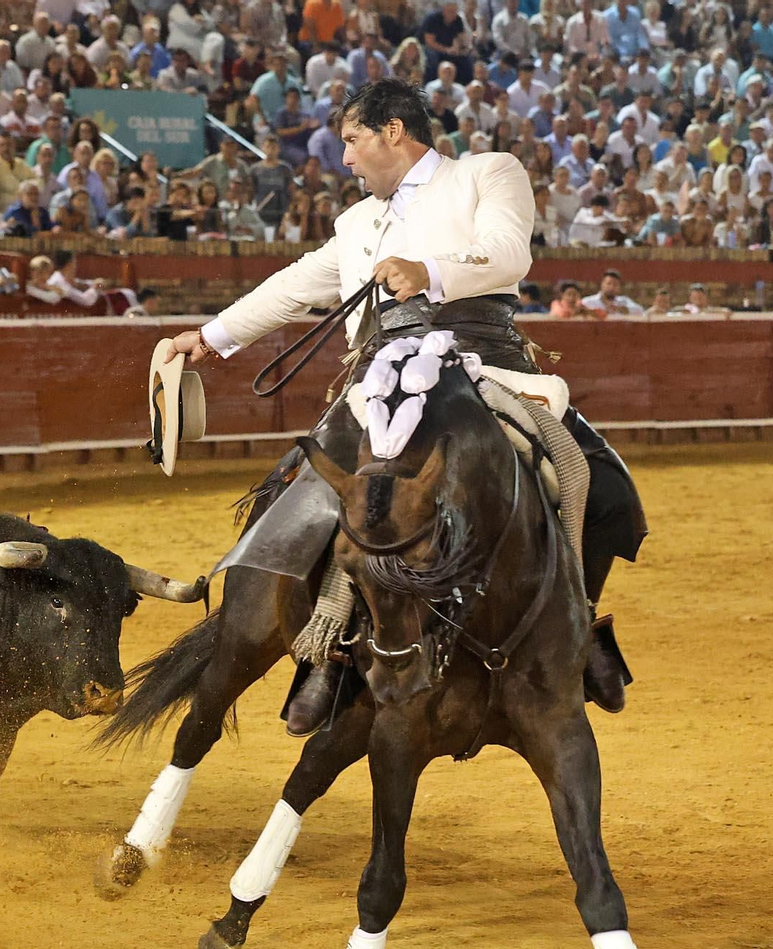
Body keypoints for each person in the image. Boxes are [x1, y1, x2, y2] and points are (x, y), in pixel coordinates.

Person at [162, 79, 649, 736]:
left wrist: (429, 270)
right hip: (382, 378)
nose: (348, 160)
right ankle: (327, 651)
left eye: (354, 141)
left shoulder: (486, 173)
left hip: (488, 359)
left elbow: (509, 250)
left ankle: (574, 630)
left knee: (603, 484)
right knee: (318, 491)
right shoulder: (355, 223)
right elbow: (292, 287)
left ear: (394, 131)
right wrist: (209, 338)